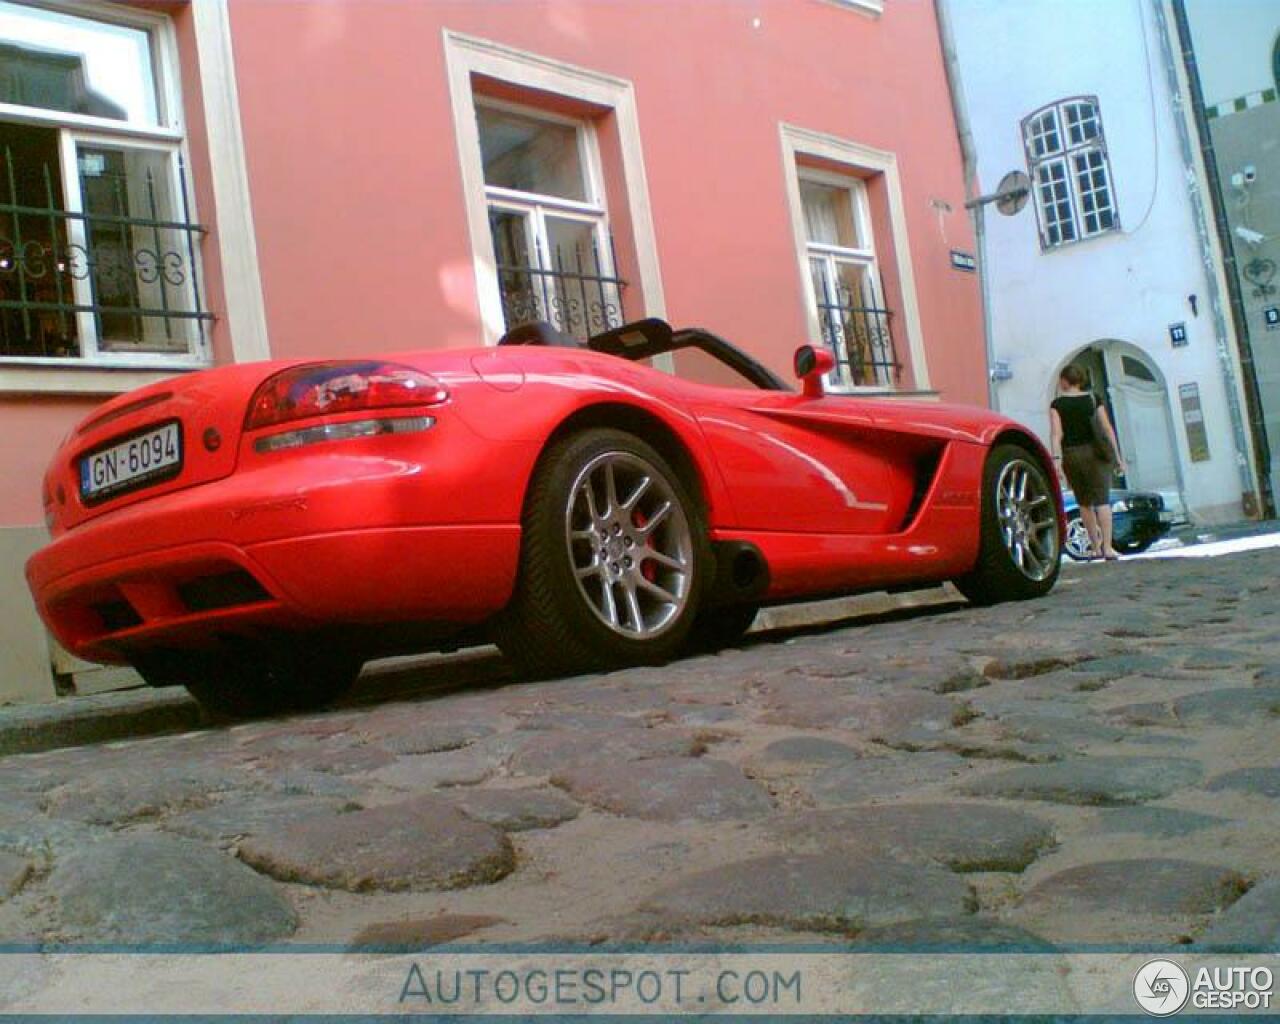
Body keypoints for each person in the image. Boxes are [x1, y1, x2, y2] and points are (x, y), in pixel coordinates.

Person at [1049, 364, 1126, 560]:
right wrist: (1117, 457)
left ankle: (1095, 547)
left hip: (1071, 455)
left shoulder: (1057, 405)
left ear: (1065, 381)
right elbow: (1107, 429)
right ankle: (1108, 547)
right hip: (1096, 453)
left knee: (1084, 503)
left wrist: (1056, 459)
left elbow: (1057, 434)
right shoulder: (1093, 399)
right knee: (1102, 500)